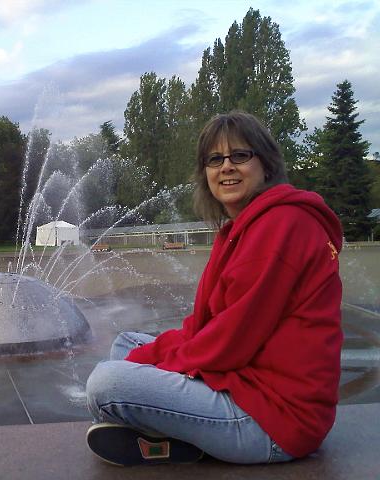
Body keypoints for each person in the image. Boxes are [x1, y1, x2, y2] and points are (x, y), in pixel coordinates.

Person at [85, 111, 343, 466]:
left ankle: (183, 438)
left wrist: (155, 368)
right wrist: (152, 360)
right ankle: (177, 431)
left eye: (240, 155)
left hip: (275, 419)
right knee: (126, 344)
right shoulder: (240, 230)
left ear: (266, 165)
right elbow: (206, 325)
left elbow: (230, 340)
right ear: (205, 173)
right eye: (215, 159)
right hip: (248, 381)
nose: (227, 167)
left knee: (106, 384)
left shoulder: (281, 226)